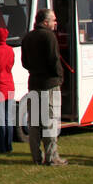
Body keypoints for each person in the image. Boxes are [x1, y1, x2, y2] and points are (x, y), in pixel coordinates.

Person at [21, 8, 66, 165]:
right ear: (45, 22)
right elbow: (54, 60)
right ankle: (52, 157)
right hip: (49, 84)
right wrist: (60, 77)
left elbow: (24, 62)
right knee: (49, 121)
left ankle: (36, 157)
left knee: (34, 124)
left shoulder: (28, 37)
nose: (55, 23)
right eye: (53, 20)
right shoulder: (49, 36)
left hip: (33, 83)